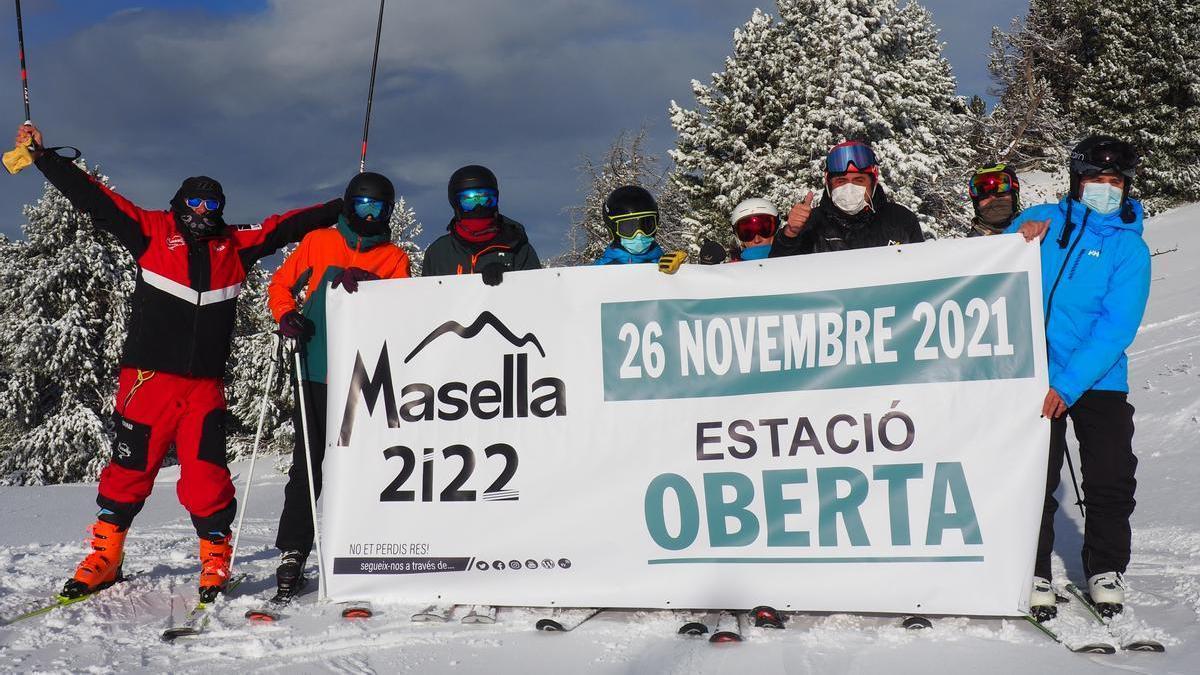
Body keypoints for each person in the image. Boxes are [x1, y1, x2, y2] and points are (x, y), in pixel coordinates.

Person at [16, 123, 343, 602]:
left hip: (203, 387)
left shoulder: (235, 245)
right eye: (194, 203)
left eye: (211, 205)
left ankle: (215, 556)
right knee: (130, 469)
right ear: (178, 203)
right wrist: (44, 157)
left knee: (208, 474)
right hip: (146, 381)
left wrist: (342, 204)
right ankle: (107, 554)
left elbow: (283, 226)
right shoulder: (150, 232)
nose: (202, 212)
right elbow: (96, 199)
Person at [1008, 136, 1150, 620]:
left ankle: (1105, 568)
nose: (1105, 189)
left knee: (1110, 475)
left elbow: (1117, 325)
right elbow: (996, 268)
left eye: (1114, 182)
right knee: (1034, 477)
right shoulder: (1048, 219)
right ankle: (1033, 567)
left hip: (1097, 378)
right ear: (1077, 180)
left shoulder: (1130, 249)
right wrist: (1018, 235)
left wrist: (1067, 384)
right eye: (1096, 179)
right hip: (1033, 373)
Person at [267, 172, 411, 600]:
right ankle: (294, 550)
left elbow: (405, 310)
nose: (371, 214)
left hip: (364, 376)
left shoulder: (394, 257)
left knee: (365, 462)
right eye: (364, 205)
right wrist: (285, 314)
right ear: (349, 205)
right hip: (313, 366)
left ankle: (365, 545)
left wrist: (375, 288)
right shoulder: (319, 242)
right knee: (308, 465)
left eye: (380, 208)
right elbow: (280, 284)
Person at [769, 140, 923, 257]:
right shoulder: (812, 223)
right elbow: (779, 274)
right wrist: (790, 234)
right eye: (841, 181)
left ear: (873, 183)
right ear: (829, 186)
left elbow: (923, 267)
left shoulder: (900, 219)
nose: (849, 188)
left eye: (859, 180)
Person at [421, 165, 540, 282]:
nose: (478, 207)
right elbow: (427, 297)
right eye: (469, 201)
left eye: (486, 200)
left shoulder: (517, 247)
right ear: (456, 204)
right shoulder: (438, 253)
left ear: (496, 201)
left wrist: (509, 280)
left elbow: (536, 292)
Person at [968, 164, 1021, 236]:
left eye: (1001, 189)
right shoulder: (967, 245)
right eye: (983, 194)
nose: (993, 198)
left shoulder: (1038, 233)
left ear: (1014, 196)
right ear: (976, 202)